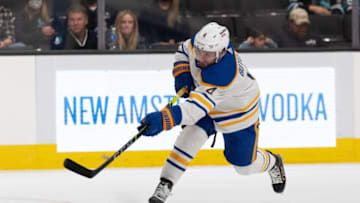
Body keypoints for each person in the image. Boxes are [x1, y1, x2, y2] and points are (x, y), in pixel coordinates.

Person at [138, 22, 286, 203]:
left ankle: (273, 161)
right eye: (199, 51)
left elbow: (193, 110)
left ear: (222, 52)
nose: (200, 57)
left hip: (238, 114)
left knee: (244, 167)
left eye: (207, 54)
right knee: (189, 137)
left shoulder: (222, 73)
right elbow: (183, 51)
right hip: (208, 103)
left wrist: (163, 120)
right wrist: (183, 74)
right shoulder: (201, 45)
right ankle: (166, 183)